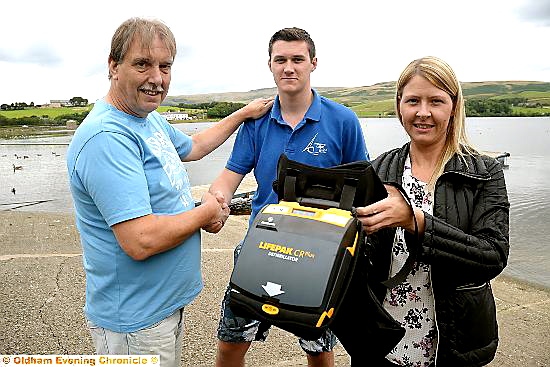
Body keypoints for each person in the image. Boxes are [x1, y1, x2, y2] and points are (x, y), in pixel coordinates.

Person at [66, 17, 273, 367]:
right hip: (136, 320)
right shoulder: (108, 138)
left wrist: (242, 114)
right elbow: (140, 240)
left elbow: (193, 146)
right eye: (142, 64)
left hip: (160, 308)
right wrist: (205, 213)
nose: (157, 79)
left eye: (165, 66)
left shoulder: (147, 119)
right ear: (113, 66)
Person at [208, 27, 369, 367]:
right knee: (230, 343)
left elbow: (362, 190)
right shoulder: (256, 122)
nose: (289, 68)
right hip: (260, 245)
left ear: (313, 63)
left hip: (321, 255)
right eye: (280, 60)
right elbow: (229, 177)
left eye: (297, 59)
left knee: (320, 349)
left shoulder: (343, 121)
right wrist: (216, 202)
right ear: (270, 65)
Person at [352, 56, 510, 366]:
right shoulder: (377, 170)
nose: (423, 112)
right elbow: (360, 260)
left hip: (453, 345)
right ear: (399, 105)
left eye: (436, 101)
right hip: (382, 343)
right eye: (413, 100)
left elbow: (493, 256)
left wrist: (417, 222)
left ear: (453, 106)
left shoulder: (484, 172)